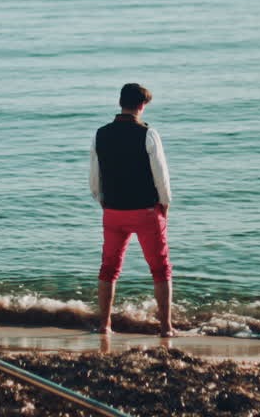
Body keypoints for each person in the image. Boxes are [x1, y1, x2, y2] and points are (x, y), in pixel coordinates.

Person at [89, 83, 174, 336]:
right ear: (142, 106)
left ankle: (105, 325)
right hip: (146, 210)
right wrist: (165, 203)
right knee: (160, 268)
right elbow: (161, 174)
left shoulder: (100, 134)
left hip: (113, 210)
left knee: (109, 268)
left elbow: (94, 174)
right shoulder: (148, 134)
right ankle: (166, 327)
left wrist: (101, 198)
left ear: (120, 103)